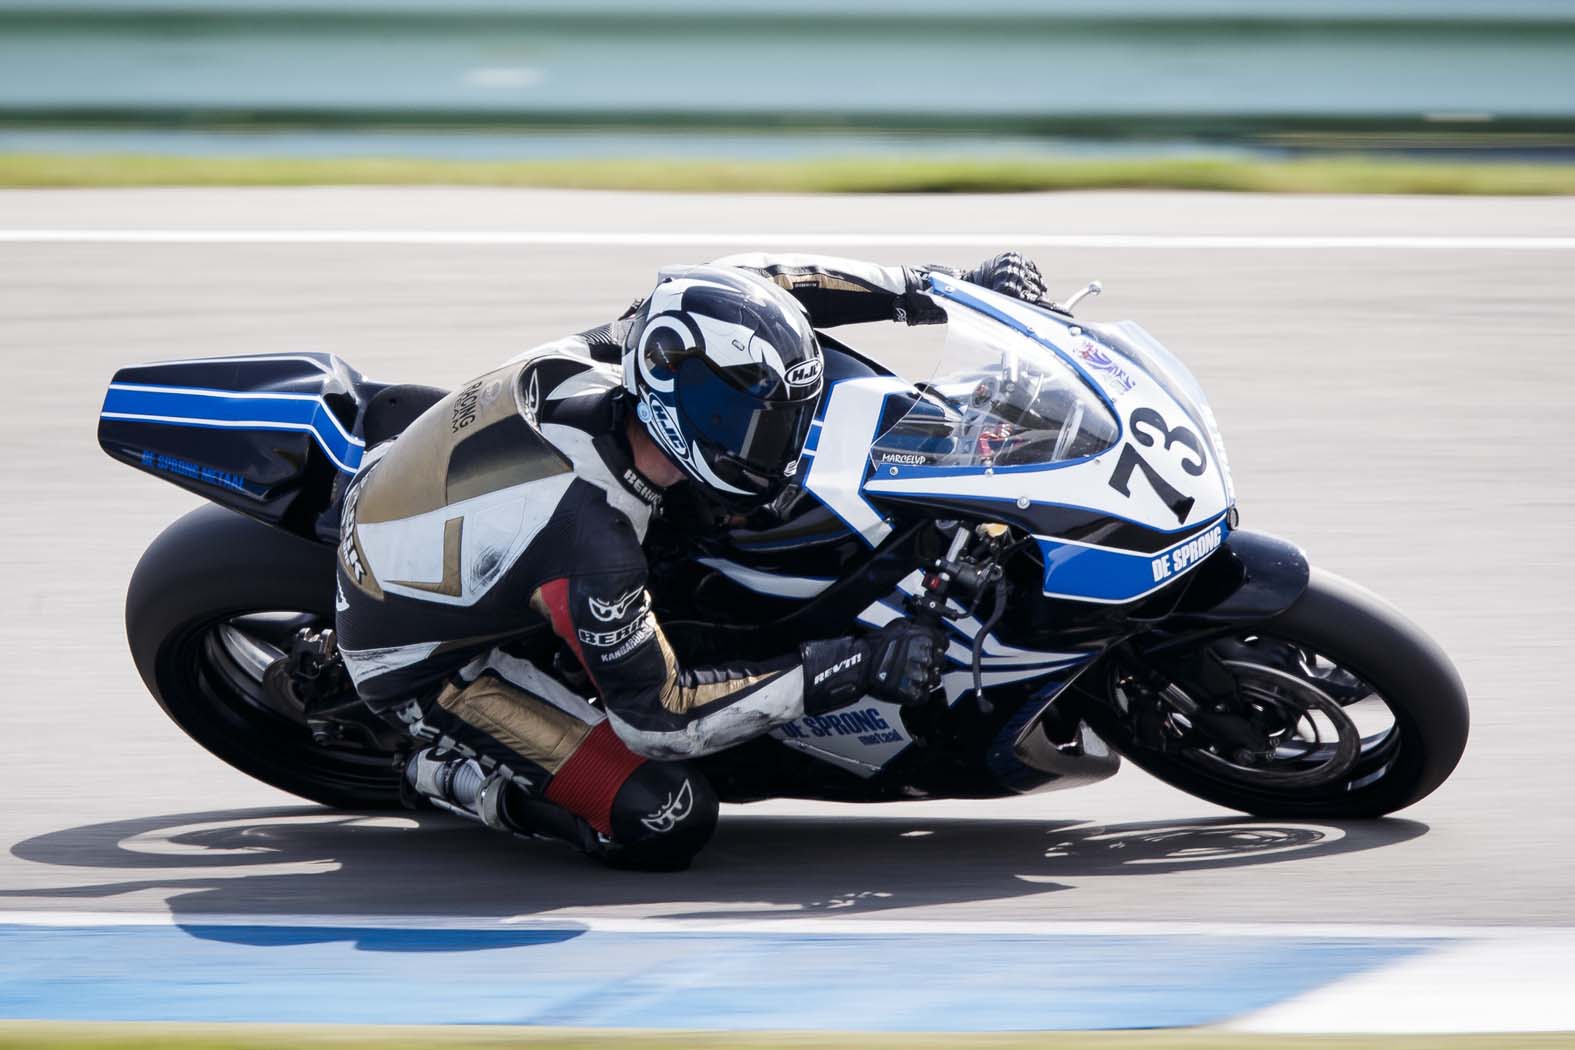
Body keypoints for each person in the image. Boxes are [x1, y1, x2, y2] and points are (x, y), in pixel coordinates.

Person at [333, 251, 1049, 870]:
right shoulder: (592, 544)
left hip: (448, 505)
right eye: (759, 422)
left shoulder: (657, 336)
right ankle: (443, 775)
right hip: (427, 662)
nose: (780, 438)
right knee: (666, 815)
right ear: (689, 412)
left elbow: (771, 282)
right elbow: (661, 718)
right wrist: (851, 667)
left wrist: (938, 288)